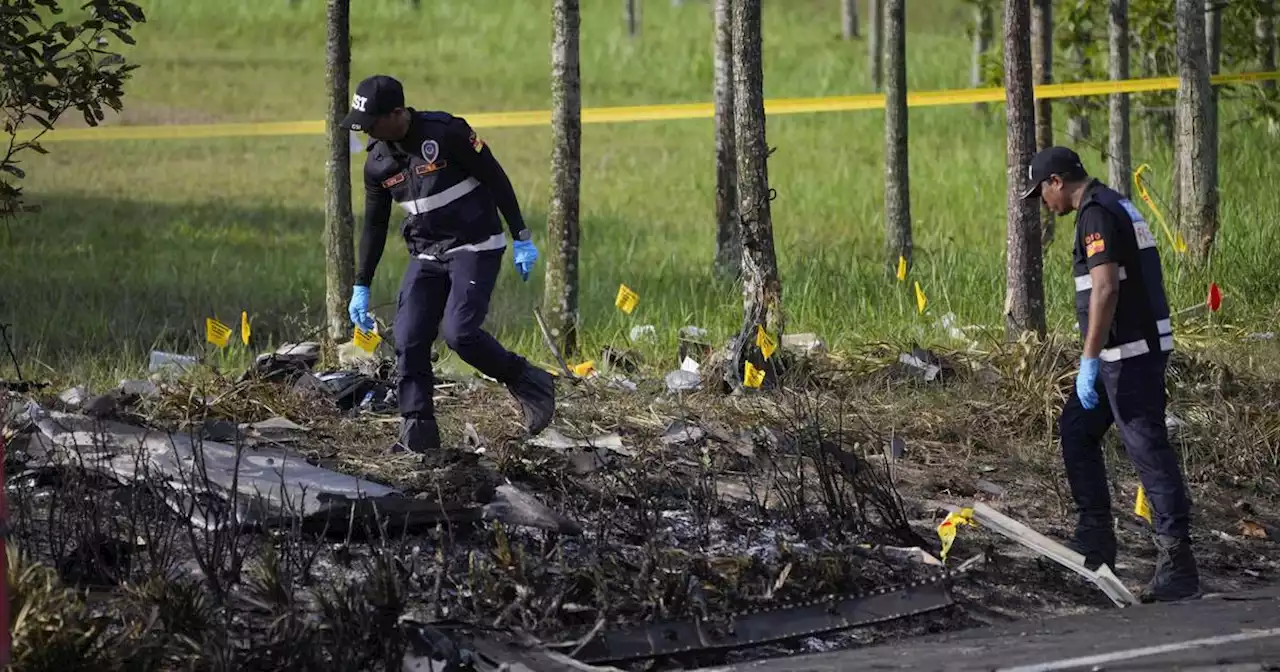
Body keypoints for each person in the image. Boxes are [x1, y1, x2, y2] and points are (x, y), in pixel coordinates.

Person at [338, 74, 555, 454]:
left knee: (460, 333)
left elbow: (495, 176)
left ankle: (529, 381)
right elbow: (374, 224)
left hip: (475, 245)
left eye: (373, 121)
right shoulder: (377, 163)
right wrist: (361, 284)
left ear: (397, 112)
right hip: (427, 252)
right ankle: (417, 433)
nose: (368, 131)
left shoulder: (446, 133)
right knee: (408, 338)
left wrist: (521, 235)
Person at [1021, 146, 1199, 603]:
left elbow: (1105, 287)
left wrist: (1089, 357)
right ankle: (1095, 541)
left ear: (1057, 181)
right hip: (1119, 355)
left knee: (1146, 449)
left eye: (1041, 192)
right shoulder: (1113, 203)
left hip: (1128, 355)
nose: (1043, 202)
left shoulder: (1097, 214)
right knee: (1077, 430)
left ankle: (1177, 563)